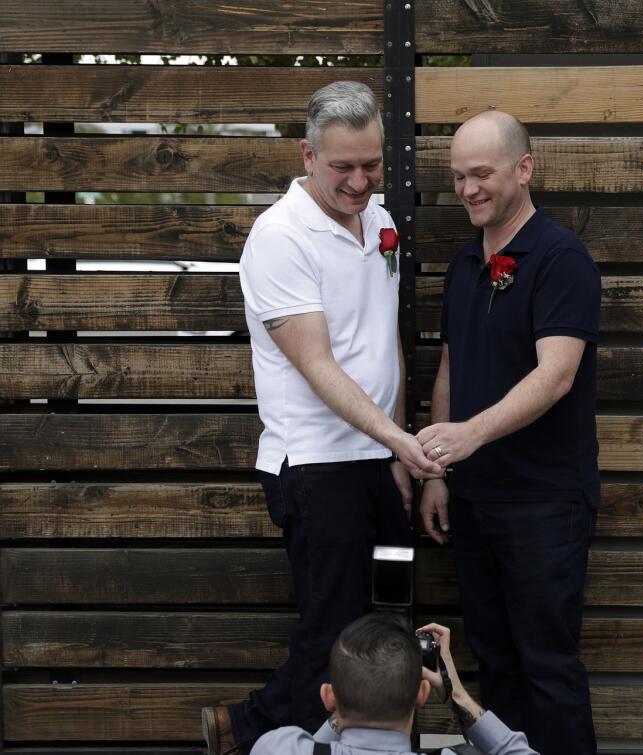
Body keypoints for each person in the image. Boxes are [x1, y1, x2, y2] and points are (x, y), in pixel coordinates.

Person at [203, 81, 443, 755]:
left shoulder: (382, 221)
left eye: (371, 165)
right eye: (344, 167)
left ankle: (270, 731)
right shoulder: (279, 237)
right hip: (316, 467)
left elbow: (384, 338)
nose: (361, 180)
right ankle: (260, 734)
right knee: (334, 629)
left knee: (389, 618)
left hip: (376, 465)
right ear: (308, 154)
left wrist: (395, 453)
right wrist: (398, 437)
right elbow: (317, 364)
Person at [416, 111, 601, 755]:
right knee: (492, 665)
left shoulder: (561, 258)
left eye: (481, 174)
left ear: (524, 169)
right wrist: (439, 472)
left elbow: (556, 377)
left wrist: (469, 436)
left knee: (547, 666)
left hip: (545, 503)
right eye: (458, 177)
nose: (467, 189)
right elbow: (449, 368)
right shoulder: (465, 265)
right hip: (473, 501)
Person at [251, 615, 537, 755]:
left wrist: (348, 697)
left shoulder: (280, 748)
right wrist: (456, 694)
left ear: (328, 697)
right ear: (422, 693)